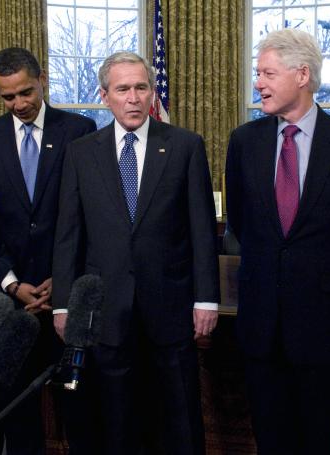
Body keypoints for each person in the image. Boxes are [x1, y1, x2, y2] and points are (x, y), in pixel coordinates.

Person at [225, 29, 330, 454]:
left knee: (320, 438)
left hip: (323, 322)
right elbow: (241, 221)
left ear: (301, 75)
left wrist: (325, 272)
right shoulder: (244, 142)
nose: (257, 82)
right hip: (261, 325)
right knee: (270, 438)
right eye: (257, 73)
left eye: (266, 73)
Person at [52, 51, 219, 455]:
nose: (133, 97)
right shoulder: (81, 152)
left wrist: (206, 298)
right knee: (116, 416)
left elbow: (202, 229)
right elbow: (69, 234)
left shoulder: (184, 146)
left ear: (151, 93)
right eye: (122, 89)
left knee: (179, 415)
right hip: (106, 310)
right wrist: (62, 305)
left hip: (171, 305)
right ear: (104, 95)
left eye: (141, 87)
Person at [0, 47, 96, 454]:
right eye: (8, 97)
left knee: (78, 403)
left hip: (66, 295)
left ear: (43, 80)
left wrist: (64, 275)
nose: (19, 104)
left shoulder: (79, 129)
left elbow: (90, 214)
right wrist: (11, 282)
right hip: (14, 299)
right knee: (18, 405)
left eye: (26, 92)